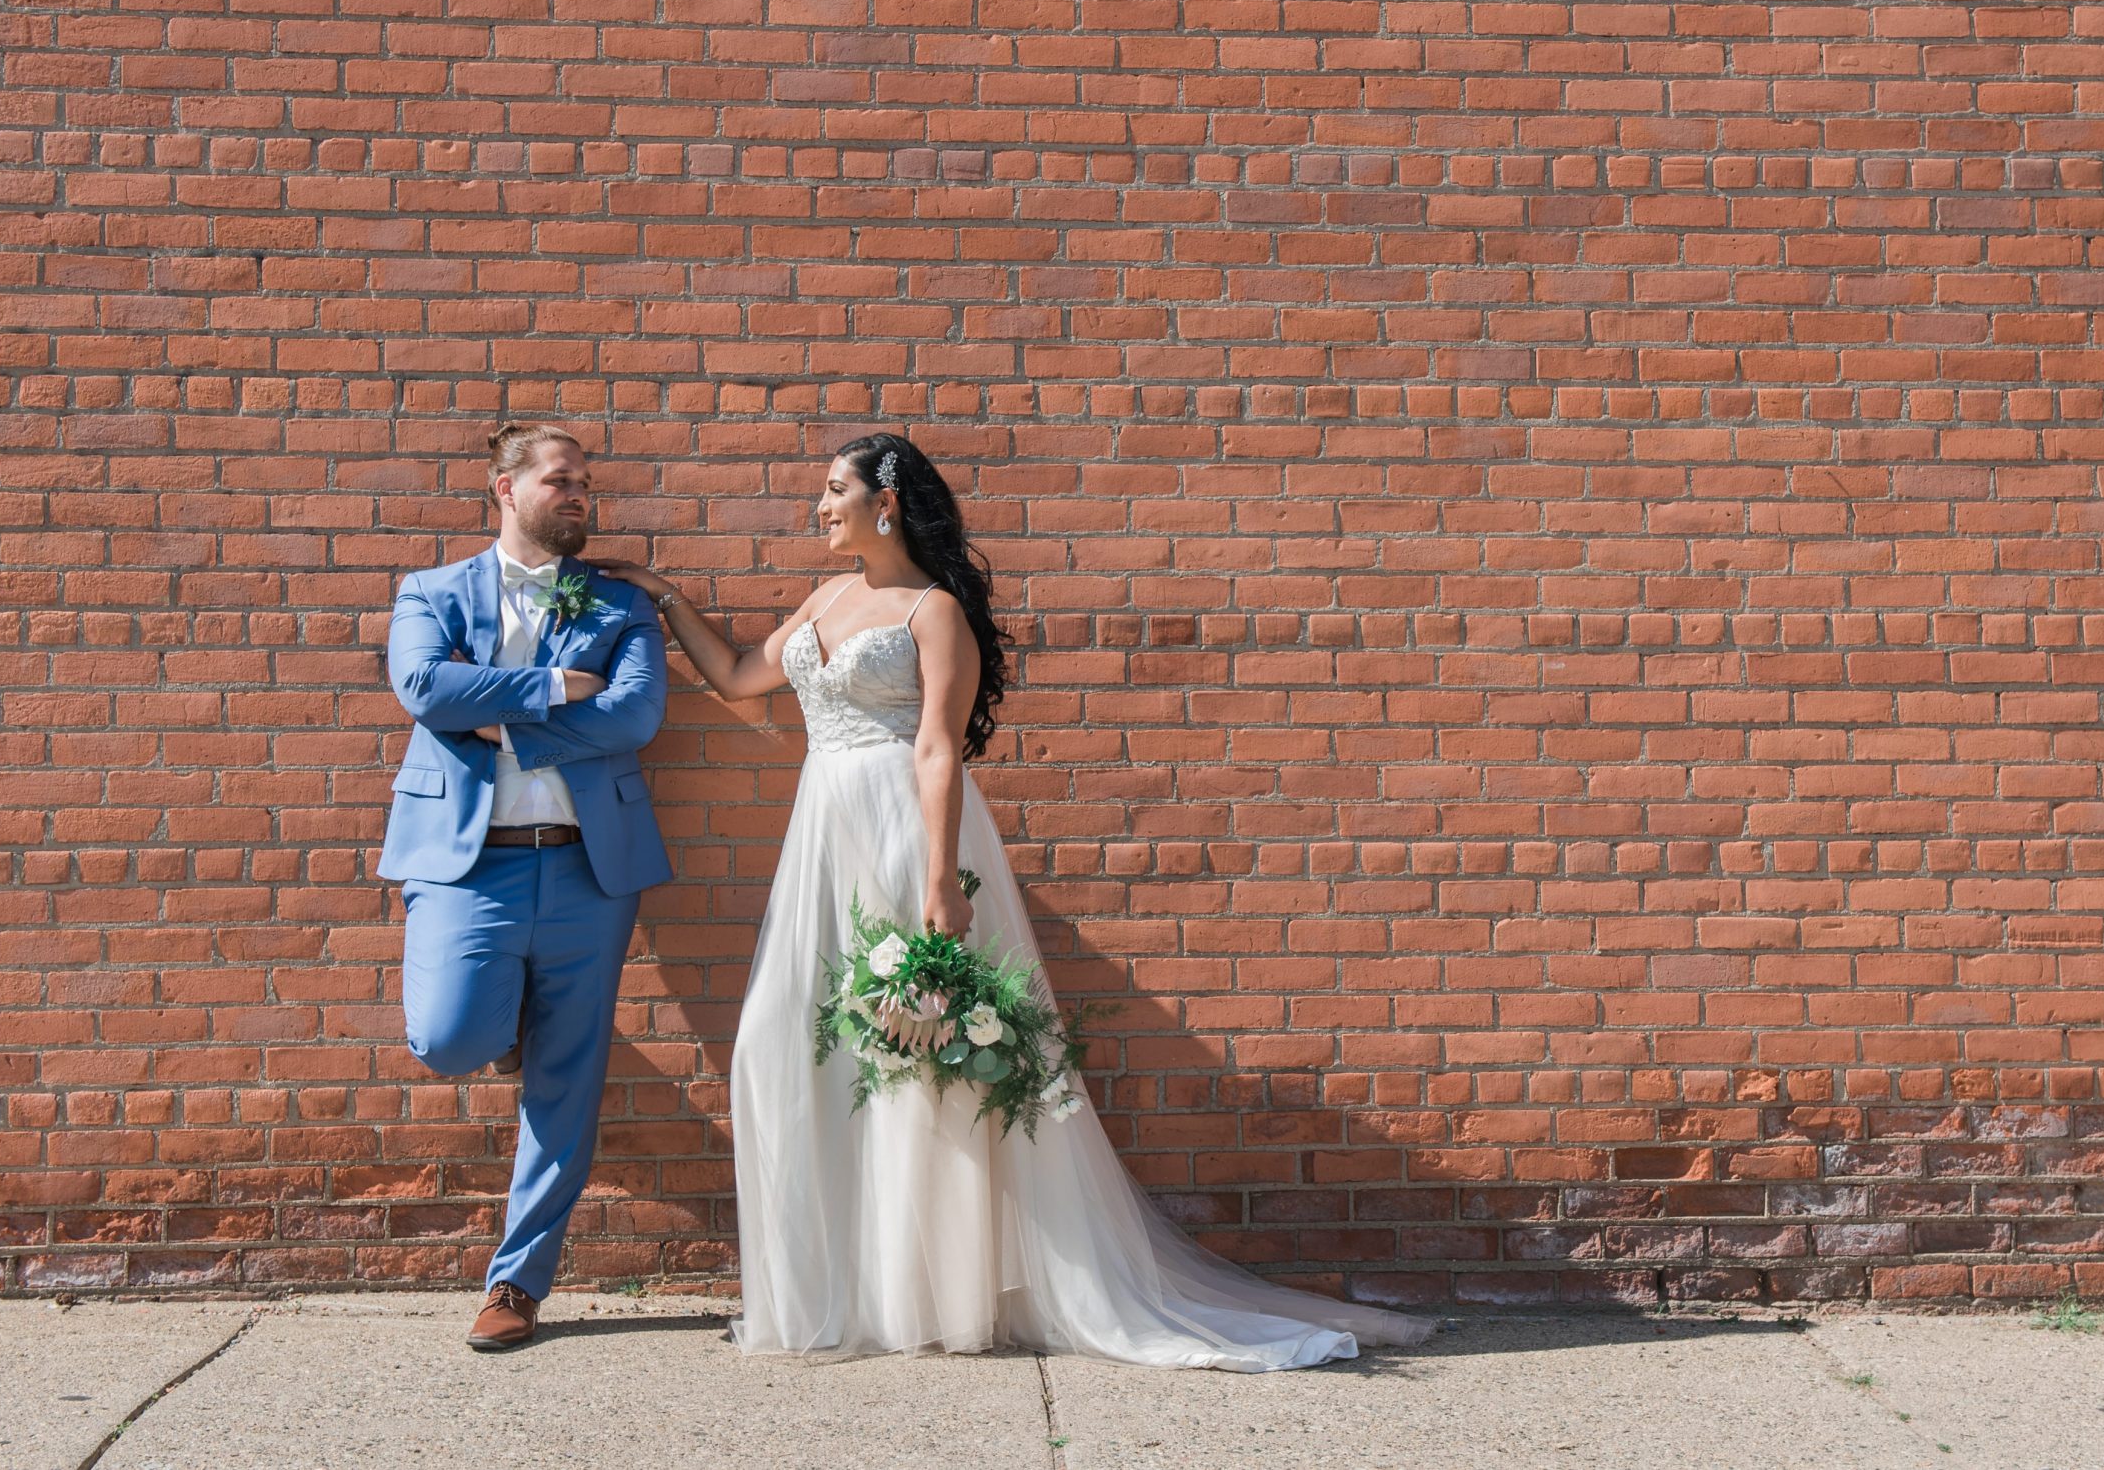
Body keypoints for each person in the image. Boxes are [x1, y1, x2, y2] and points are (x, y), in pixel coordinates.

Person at [599, 431, 1429, 1370]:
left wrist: (941, 877)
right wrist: (661, 595)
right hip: (822, 836)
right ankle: (849, 1287)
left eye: (835, 490)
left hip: (905, 831)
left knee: (922, 1063)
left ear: (887, 502)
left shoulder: (932, 609)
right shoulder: (827, 597)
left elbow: (938, 748)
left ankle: (933, 1299)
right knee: (781, 1044)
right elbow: (747, 675)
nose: (819, 507)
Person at [377, 423, 671, 1352]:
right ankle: (501, 1020)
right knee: (447, 1035)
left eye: (586, 481)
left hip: (591, 867)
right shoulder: (430, 593)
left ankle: (518, 1281)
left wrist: (507, 725)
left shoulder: (619, 603)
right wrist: (552, 689)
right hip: (469, 865)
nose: (579, 493)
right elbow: (427, 687)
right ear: (504, 488)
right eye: (560, 479)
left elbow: (636, 713)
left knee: (567, 1082)